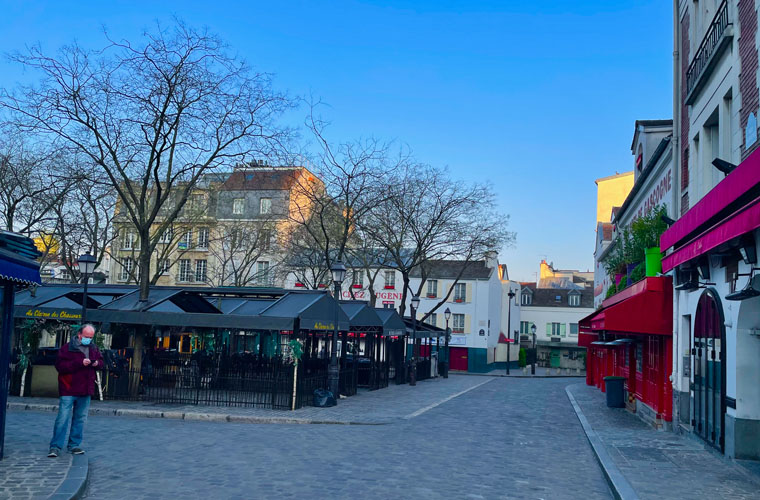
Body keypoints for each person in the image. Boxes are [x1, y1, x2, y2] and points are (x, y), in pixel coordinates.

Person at [47, 324, 103, 457]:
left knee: (80, 419)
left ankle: (74, 445)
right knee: (63, 418)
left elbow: (101, 362)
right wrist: (79, 363)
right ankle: (55, 446)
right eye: (86, 337)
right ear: (79, 335)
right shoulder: (67, 348)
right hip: (69, 388)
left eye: (91, 337)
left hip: (85, 389)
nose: (88, 339)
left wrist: (96, 364)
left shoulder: (93, 348)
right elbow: (60, 366)